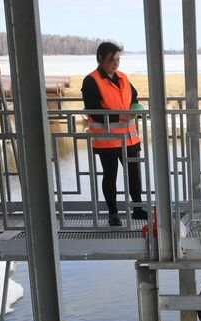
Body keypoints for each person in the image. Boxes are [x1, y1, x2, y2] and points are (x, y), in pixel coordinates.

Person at [82, 41, 148, 226]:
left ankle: (137, 208)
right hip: (108, 140)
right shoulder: (91, 80)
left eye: (118, 59)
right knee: (110, 176)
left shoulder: (123, 78)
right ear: (101, 59)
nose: (116, 63)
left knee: (134, 174)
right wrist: (119, 115)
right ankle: (113, 214)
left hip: (130, 138)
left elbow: (133, 97)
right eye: (113, 60)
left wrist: (135, 108)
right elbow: (93, 111)